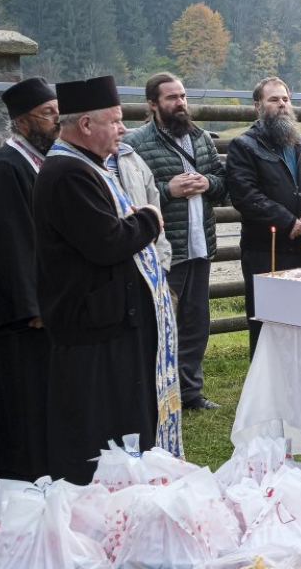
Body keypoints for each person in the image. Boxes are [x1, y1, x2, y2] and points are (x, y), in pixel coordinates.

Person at [34, 75, 181, 484]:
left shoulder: (87, 165)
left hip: (110, 320)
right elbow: (107, 242)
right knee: (98, 426)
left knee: (122, 417)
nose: (121, 129)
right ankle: (103, 496)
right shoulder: (68, 173)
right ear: (85, 125)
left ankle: (129, 489)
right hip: (92, 325)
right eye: (114, 121)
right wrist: (150, 218)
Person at [0, 78, 59, 482]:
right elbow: (10, 244)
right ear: (22, 122)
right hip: (17, 306)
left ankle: (31, 458)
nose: (57, 121)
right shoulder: (7, 168)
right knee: (19, 385)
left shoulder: (34, 161)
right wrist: (32, 307)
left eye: (59, 112)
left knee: (34, 386)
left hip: (34, 296)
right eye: (48, 115)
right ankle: (20, 465)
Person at [124, 72, 227, 410]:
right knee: (160, 324)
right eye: (171, 98)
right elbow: (129, 198)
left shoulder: (200, 138)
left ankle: (190, 392)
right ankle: (155, 395)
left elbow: (223, 185)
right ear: (153, 104)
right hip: (164, 252)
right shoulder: (137, 143)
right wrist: (168, 191)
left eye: (182, 96)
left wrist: (207, 184)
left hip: (200, 246)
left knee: (196, 323)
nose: (180, 103)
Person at [227, 77, 301, 358]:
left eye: (285, 99)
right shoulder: (243, 146)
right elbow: (246, 196)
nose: (281, 105)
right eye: (274, 100)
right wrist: (288, 222)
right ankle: (264, 390)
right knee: (266, 323)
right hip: (264, 250)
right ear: (257, 106)